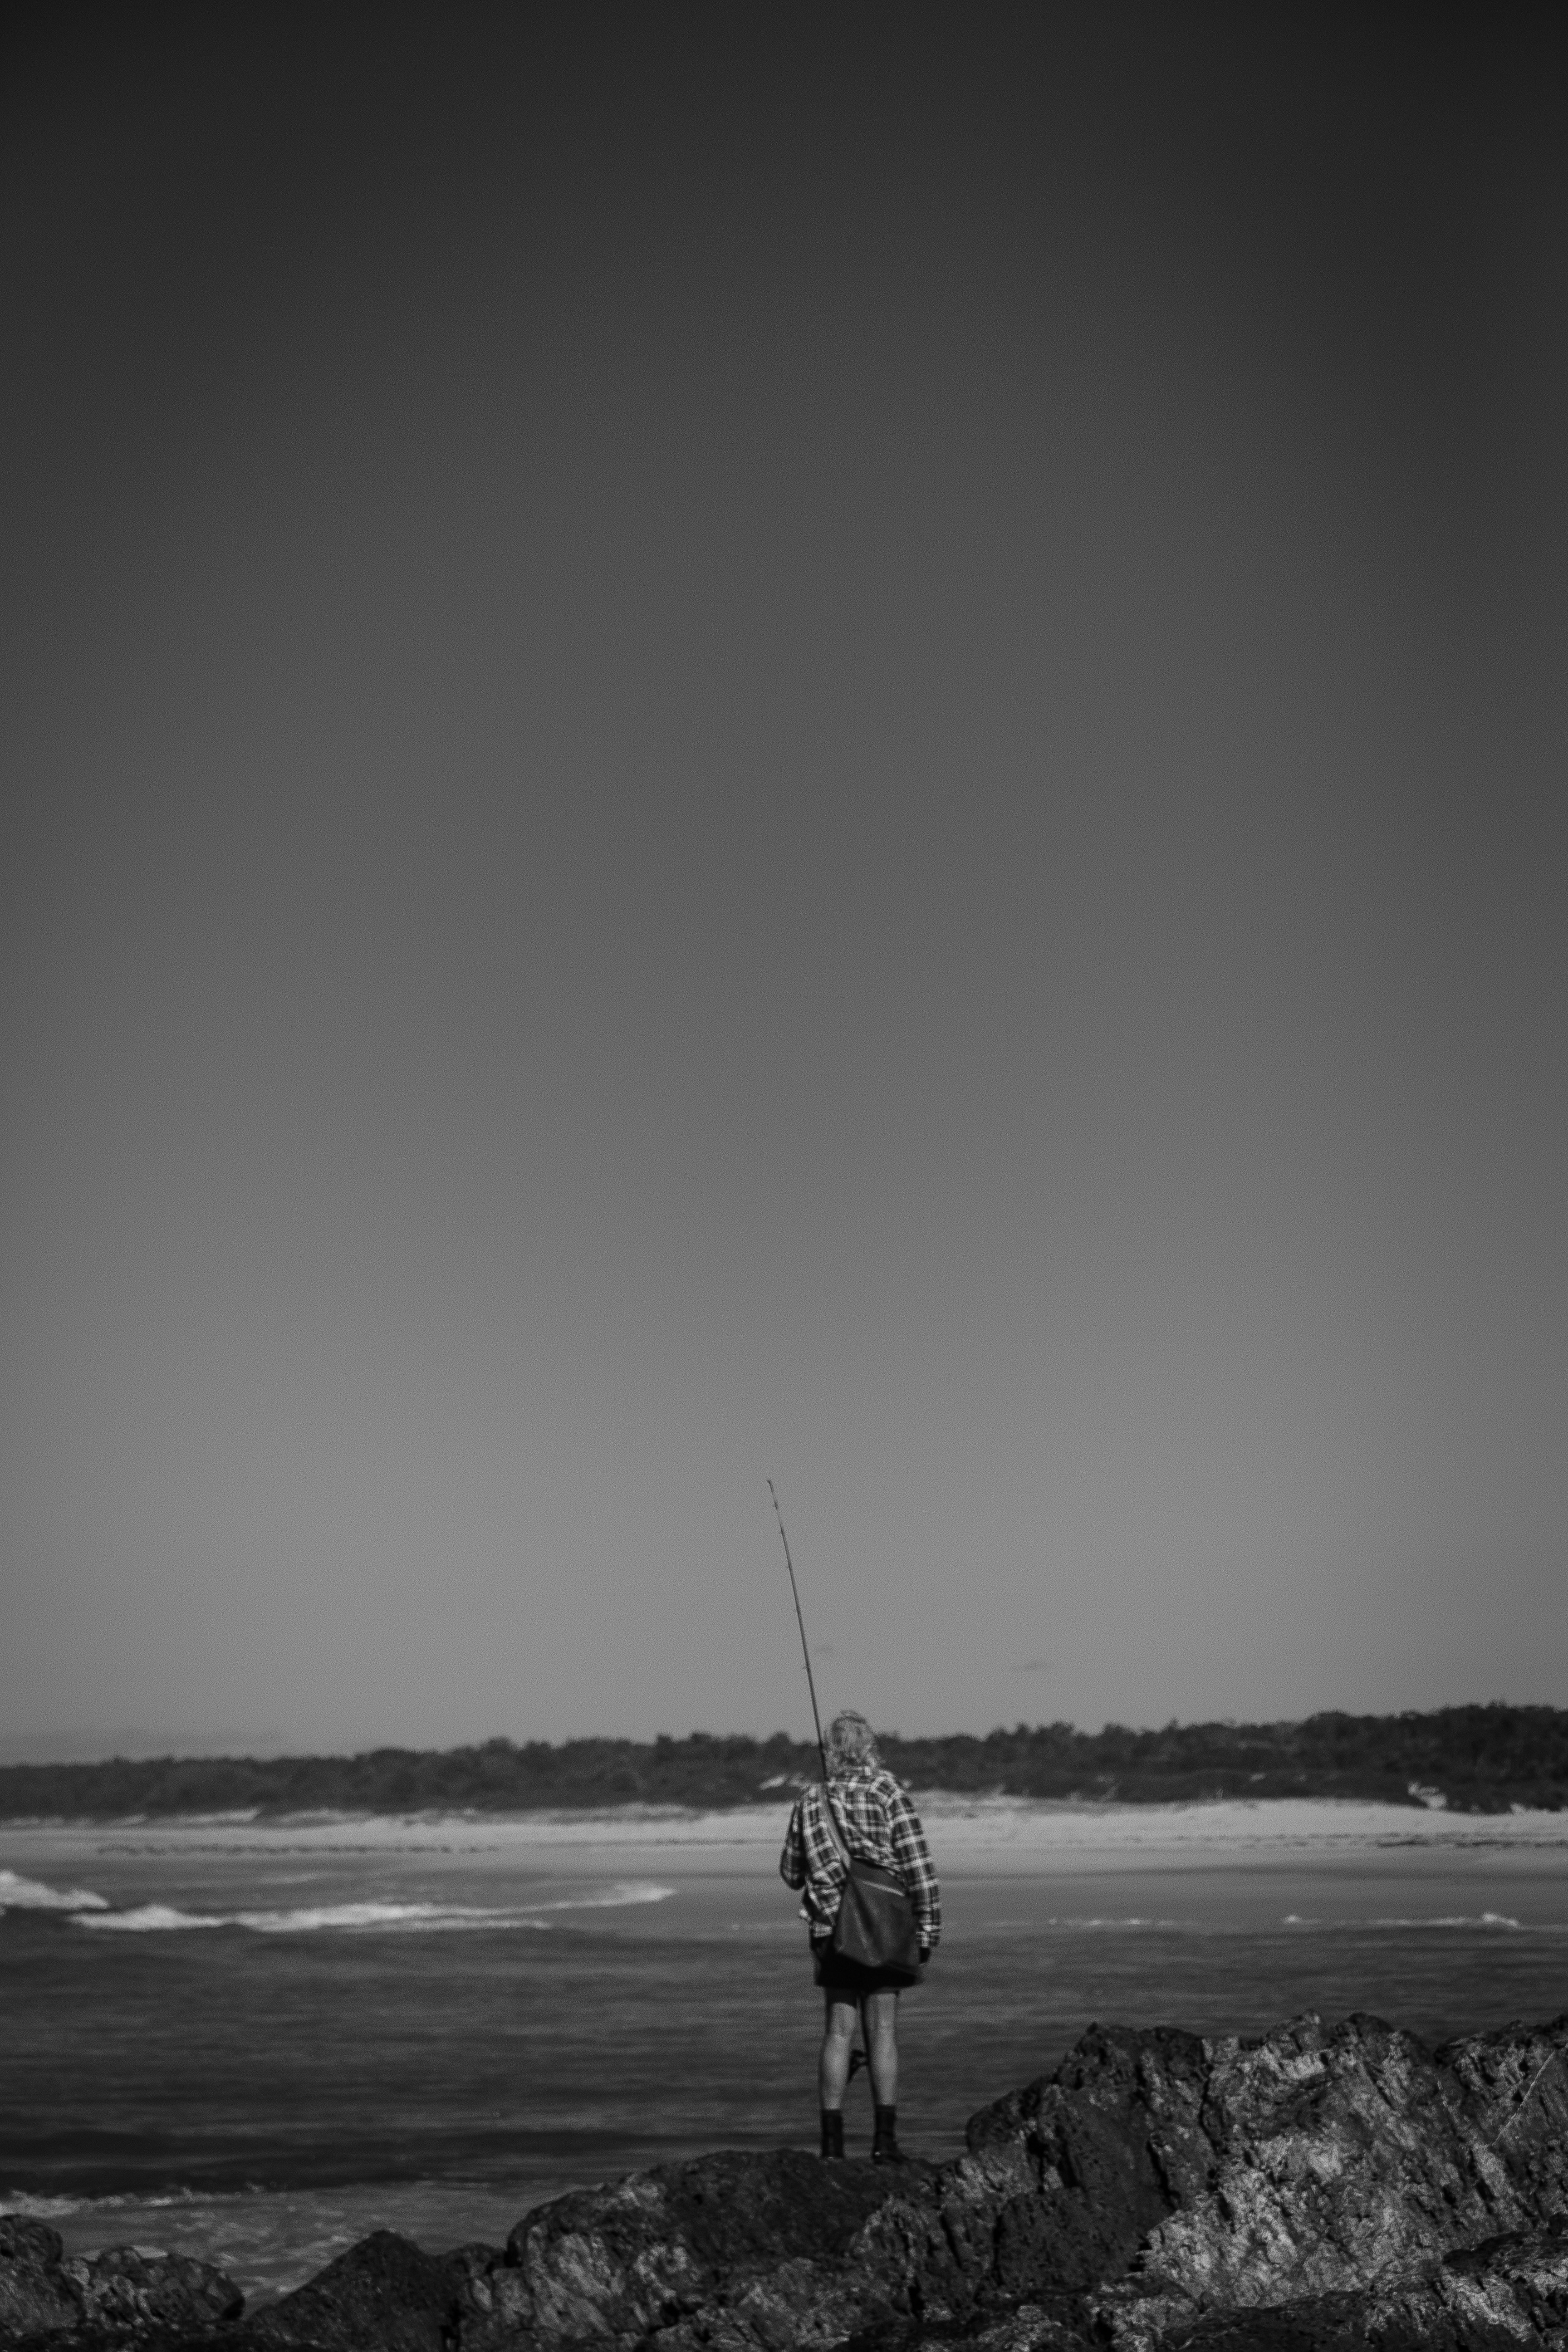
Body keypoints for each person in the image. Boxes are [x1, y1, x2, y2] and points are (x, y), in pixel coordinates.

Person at [779, 1710, 941, 2164]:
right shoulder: (889, 1792)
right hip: (885, 1926)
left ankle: (832, 2147)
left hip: (830, 1929)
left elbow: (791, 1873)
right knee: (883, 2030)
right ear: (870, 1748)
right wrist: (928, 1930)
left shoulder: (810, 1799)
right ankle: (884, 2143)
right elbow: (919, 1870)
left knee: (837, 2032)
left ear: (830, 1752)